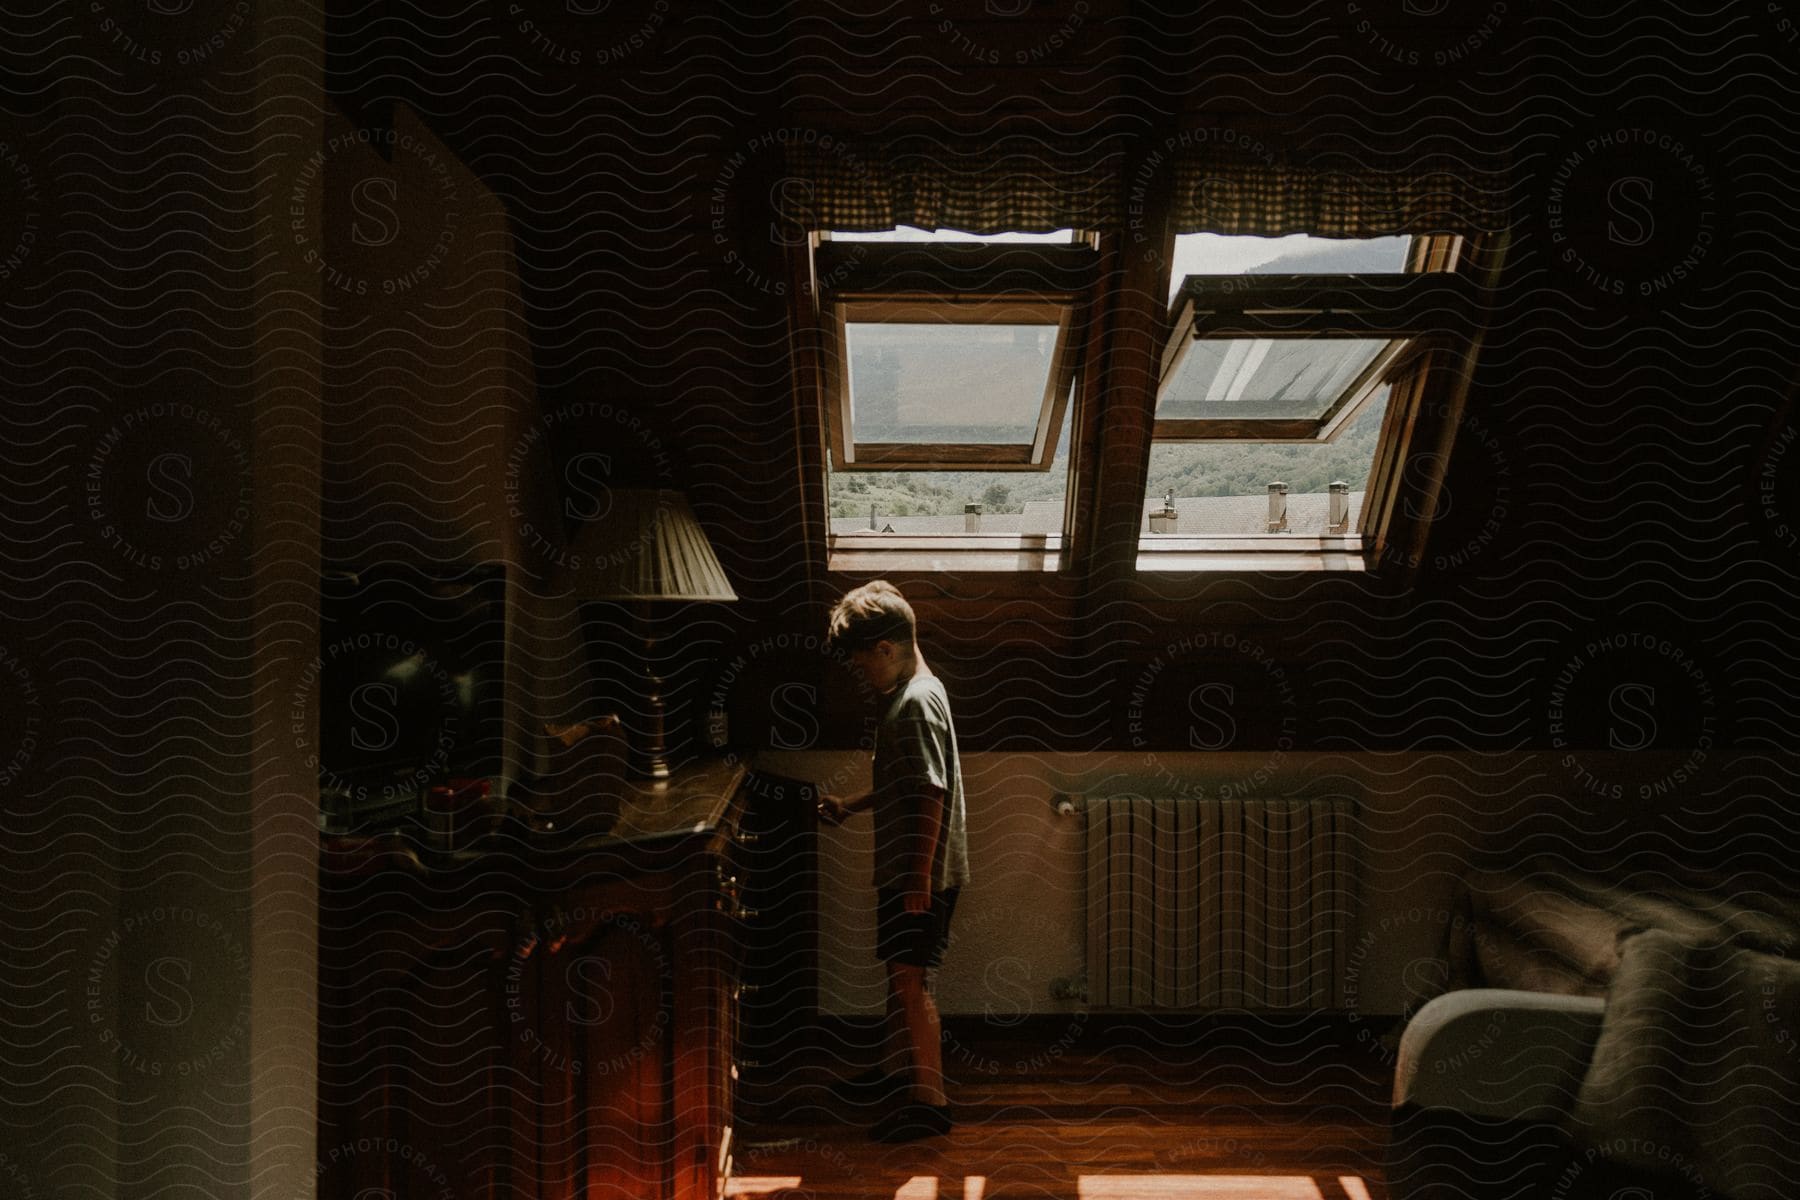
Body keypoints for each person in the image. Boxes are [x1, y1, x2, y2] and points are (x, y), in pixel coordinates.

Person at [819, 580, 970, 1142]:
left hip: (919, 873)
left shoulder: (914, 706)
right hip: (911, 869)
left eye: (863, 665)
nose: (862, 676)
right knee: (899, 973)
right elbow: (909, 779)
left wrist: (917, 877)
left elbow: (931, 793)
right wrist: (852, 804)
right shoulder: (915, 692)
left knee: (911, 979)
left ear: (885, 649)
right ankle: (891, 1074)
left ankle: (930, 1100)